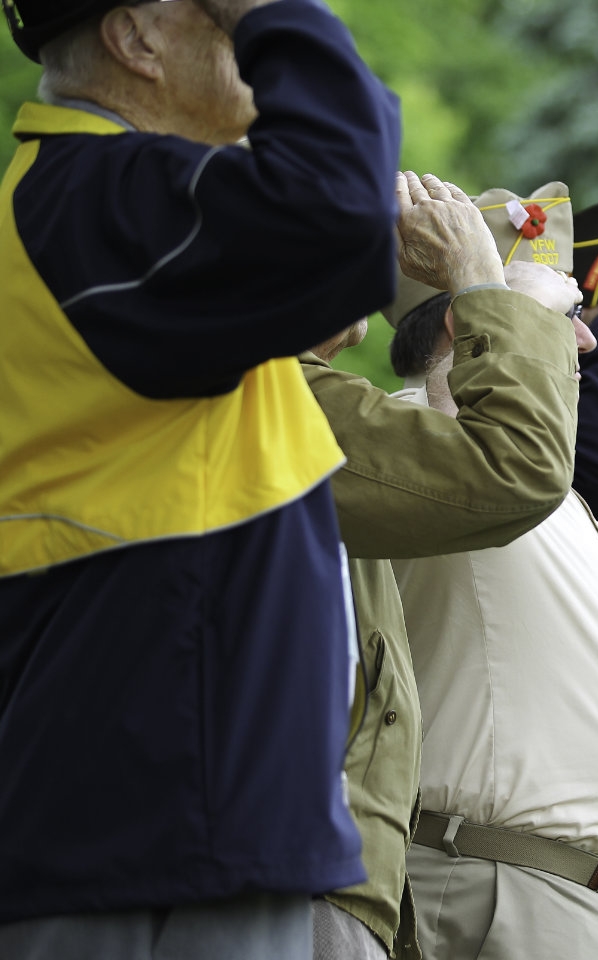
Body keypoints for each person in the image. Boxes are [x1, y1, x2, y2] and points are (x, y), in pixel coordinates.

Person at [0, 0, 399, 955]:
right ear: (137, 39)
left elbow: (335, 223)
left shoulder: (92, 204)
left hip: (160, 815)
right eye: (230, 23)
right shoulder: (100, 194)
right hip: (157, 828)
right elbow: (340, 210)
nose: (257, 44)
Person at [387, 186, 598, 960]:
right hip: (498, 892)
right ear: (469, 323)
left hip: (557, 899)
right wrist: (501, 305)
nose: (587, 344)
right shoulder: (422, 432)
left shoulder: (535, 471)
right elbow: (458, 441)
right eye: (565, 316)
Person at [302, 175, 582, 959]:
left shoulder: (290, 396)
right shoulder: (264, 396)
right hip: (286, 864)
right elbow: (511, 466)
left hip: (321, 867)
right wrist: (483, 284)